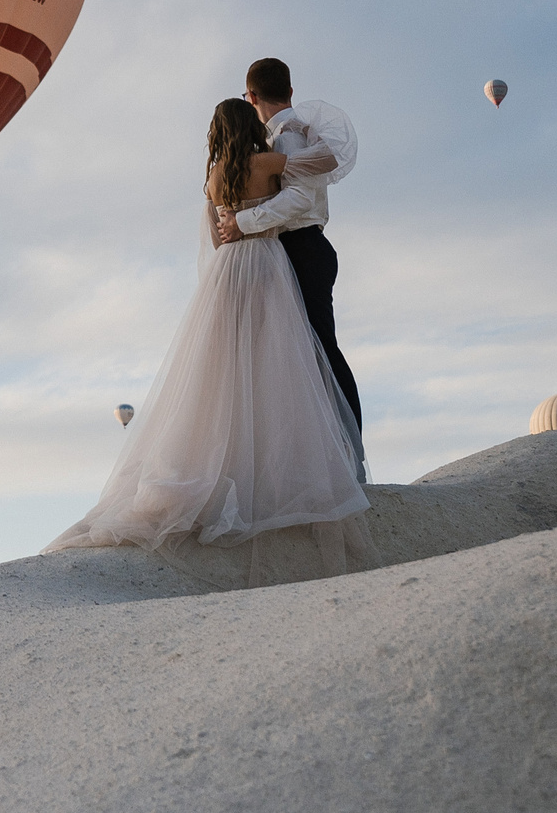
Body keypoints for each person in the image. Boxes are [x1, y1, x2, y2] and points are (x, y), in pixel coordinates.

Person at [48, 97, 370, 556]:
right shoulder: (270, 160)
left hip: (226, 273)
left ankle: (223, 465)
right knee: (280, 359)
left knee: (224, 371)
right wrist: (306, 132)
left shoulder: (213, 179)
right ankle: (295, 467)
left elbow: (211, 238)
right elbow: (319, 165)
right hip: (265, 261)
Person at [211, 57, 363, 472]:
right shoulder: (278, 140)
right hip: (286, 250)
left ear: (252, 96)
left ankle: (350, 456)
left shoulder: (289, 139)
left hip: (301, 247)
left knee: (321, 352)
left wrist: (242, 222)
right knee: (297, 356)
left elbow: (298, 199)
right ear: (291, 91)